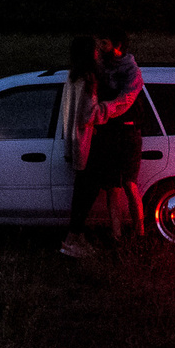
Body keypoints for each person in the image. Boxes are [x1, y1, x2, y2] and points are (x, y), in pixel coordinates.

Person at [59, 32, 144, 256]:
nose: (99, 51)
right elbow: (89, 113)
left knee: (84, 195)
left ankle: (75, 239)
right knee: (84, 196)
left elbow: (72, 111)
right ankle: (71, 241)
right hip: (88, 144)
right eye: (96, 48)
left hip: (77, 142)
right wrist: (107, 109)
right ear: (90, 53)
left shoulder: (72, 75)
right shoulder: (89, 79)